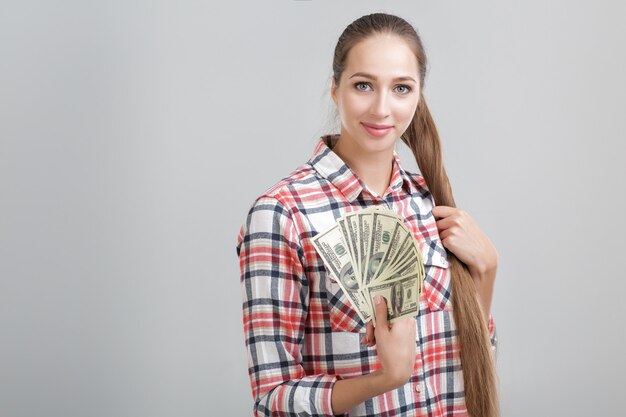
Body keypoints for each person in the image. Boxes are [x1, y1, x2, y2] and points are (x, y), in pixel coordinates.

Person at [236, 13, 500, 417]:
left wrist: (486, 275)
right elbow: (274, 398)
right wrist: (384, 379)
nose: (381, 108)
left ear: (418, 96)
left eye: (401, 88)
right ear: (334, 89)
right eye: (363, 85)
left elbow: (465, 373)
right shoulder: (281, 214)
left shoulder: (430, 202)